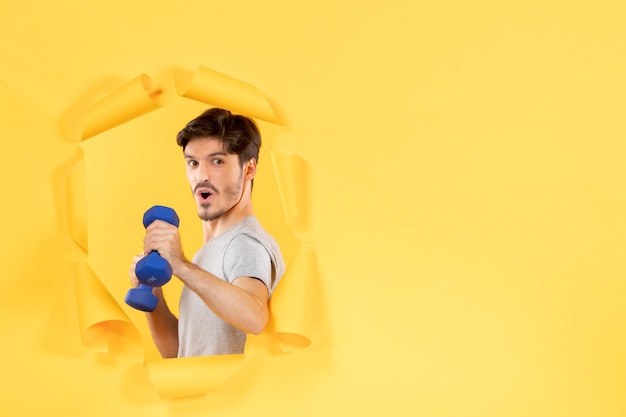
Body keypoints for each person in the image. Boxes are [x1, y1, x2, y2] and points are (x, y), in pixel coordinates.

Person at [129, 107, 285, 358]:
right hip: (200, 397)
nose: (201, 175)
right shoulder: (209, 254)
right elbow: (181, 354)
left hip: (238, 398)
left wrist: (179, 265)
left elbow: (255, 318)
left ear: (249, 169)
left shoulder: (245, 243)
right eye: (193, 162)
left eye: (217, 161)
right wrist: (153, 297)